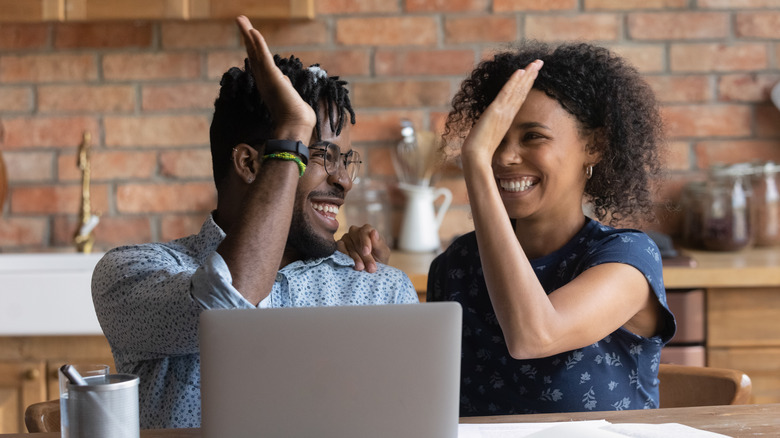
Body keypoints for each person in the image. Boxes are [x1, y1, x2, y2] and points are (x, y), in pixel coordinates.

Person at [92, 16, 417, 430]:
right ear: (250, 163)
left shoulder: (379, 288)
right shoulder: (133, 274)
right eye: (319, 155)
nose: (345, 180)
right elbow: (230, 303)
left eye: (345, 159)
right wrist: (291, 131)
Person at [425, 41, 677, 415]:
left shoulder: (627, 260)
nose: (505, 157)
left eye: (533, 136)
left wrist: (475, 160)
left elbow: (534, 336)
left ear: (594, 146)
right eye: (496, 139)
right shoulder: (457, 264)